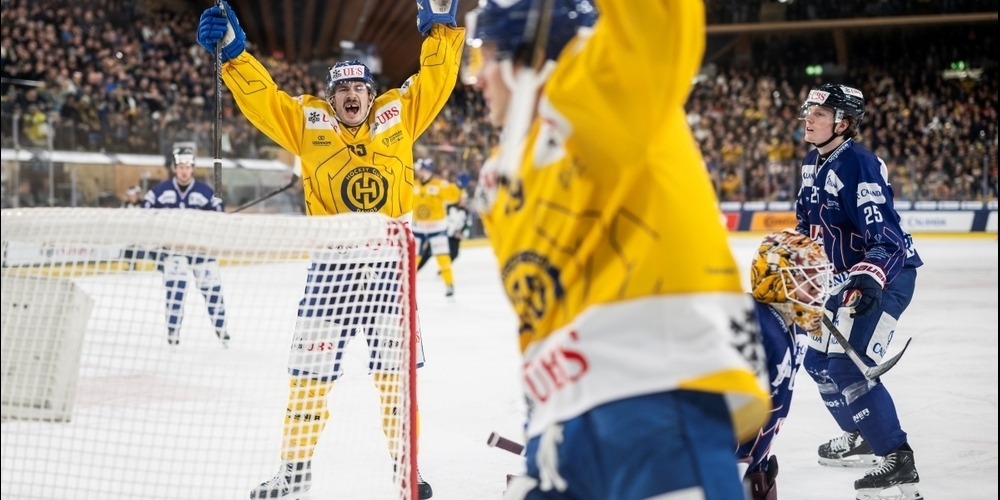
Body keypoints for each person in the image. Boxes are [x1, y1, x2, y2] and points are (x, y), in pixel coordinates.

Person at [464, 1, 770, 499]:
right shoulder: (502, 177)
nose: (476, 79)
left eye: (489, 55)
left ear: (534, 54)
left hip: (658, 398)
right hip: (557, 425)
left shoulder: (615, 87)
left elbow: (655, 14)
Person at [196, 1, 463, 498]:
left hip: (389, 268)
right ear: (332, 97)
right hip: (332, 268)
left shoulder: (400, 114)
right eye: (341, 89)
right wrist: (233, 56)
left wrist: (443, 31)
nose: (350, 95)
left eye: (358, 87)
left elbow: (437, 79)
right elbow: (265, 99)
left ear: (370, 92)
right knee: (308, 377)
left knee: (396, 382)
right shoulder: (306, 123)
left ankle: (408, 470)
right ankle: (294, 472)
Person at [795, 83, 924, 500]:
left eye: (820, 112)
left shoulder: (860, 165)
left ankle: (897, 457)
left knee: (850, 368)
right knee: (817, 362)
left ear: (844, 123)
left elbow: (885, 238)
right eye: (809, 110)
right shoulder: (812, 166)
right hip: (844, 279)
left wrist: (869, 277)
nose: (809, 117)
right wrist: (795, 265)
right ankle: (863, 434)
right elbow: (806, 230)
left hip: (886, 275)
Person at [740, 229, 833, 500]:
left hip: (753, 466)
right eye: (807, 279)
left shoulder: (794, 329)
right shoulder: (755, 325)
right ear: (775, 282)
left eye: (819, 277)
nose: (819, 288)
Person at [141, 145, 230, 347]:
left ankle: (222, 330)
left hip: (201, 250)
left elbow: (219, 212)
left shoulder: (205, 191)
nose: (184, 170)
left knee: (212, 290)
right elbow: (144, 211)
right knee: (176, 290)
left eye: (188, 166)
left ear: (192, 169)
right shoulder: (160, 191)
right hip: (173, 250)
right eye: (180, 166)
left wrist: (216, 216)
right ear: (174, 168)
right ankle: (173, 332)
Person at [412, 158, 462, 296]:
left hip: (436, 228)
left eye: (420, 169)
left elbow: (454, 197)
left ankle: (449, 285)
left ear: (428, 171)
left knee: (443, 258)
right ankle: (407, 287)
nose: (418, 172)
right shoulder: (413, 185)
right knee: (413, 259)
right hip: (418, 228)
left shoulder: (440, 185)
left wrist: (457, 186)